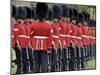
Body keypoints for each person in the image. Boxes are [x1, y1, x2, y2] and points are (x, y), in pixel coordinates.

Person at [30, 3, 52, 73]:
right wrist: (49, 47)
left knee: (36, 62)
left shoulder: (33, 25)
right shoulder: (48, 26)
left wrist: (33, 43)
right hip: (45, 46)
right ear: (45, 15)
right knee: (44, 62)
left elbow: (31, 35)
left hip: (36, 46)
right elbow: (50, 38)